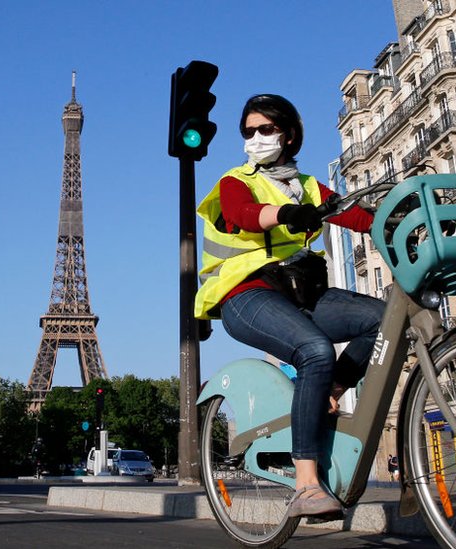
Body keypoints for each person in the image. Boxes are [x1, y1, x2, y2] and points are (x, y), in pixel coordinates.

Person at [194, 94, 384, 518]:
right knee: (314, 350)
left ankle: (331, 389)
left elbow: (358, 216)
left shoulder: (309, 186)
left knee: (382, 318)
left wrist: (405, 218)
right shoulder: (235, 180)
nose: (255, 139)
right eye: (248, 131)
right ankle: (306, 486)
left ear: (289, 135)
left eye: (265, 129)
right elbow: (242, 213)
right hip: (244, 296)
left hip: (296, 294)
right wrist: (285, 214)